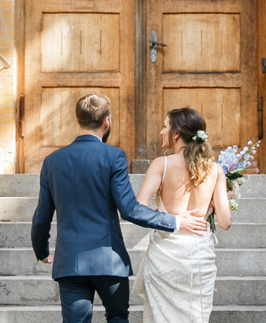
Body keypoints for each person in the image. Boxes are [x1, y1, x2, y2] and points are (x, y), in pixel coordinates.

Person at [31, 93, 209, 323]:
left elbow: (41, 216)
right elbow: (130, 209)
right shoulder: (113, 156)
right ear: (107, 121)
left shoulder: (52, 161)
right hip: (110, 261)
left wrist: (42, 251)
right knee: (117, 318)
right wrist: (175, 221)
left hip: (70, 262)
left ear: (78, 121)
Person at [133, 107, 232, 323]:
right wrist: (215, 202)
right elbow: (225, 222)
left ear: (176, 134)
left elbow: (138, 208)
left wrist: (167, 217)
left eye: (164, 126)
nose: (161, 132)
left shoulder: (162, 164)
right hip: (198, 256)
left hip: (165, 258)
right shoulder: (215, 170)